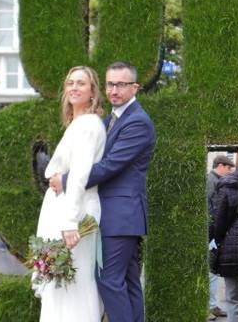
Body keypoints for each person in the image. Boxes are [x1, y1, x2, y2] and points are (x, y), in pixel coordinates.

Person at [51, 61, 156, 322]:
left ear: (135, 88)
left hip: (121, 216)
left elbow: (110, 166)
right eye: (110, 84)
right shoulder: (109, 120)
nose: (114, 90)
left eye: (121, 84)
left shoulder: (138, 122)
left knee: (108, 280)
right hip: (119, 216)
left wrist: (66, 179)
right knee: (128, 282)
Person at [35, 66, 107, 322]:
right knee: (62, 285)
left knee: (72, 287)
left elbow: (79, 174)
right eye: (70, 83)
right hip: (68, 211)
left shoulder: (87, 124)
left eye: (81, 83)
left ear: (93, 92)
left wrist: (69, 223)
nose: (74, 87)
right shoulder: (78, 124)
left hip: (75, 215)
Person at [210, 150, 238, 322]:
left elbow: (219, 220)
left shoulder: (227, 184)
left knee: (234, 300)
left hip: (232, 250)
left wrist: (218, 239)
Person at [206, 155, 234, 319]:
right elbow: (210, 210)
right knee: (210, 271)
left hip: (212, 232)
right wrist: (212, 235)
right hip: (210, 233)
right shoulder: (212, 181)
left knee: (212, 271)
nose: (230, 171)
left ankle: (211, 305)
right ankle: (209, 307)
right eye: (228, 168)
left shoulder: (214, 180)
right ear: (221, 166)